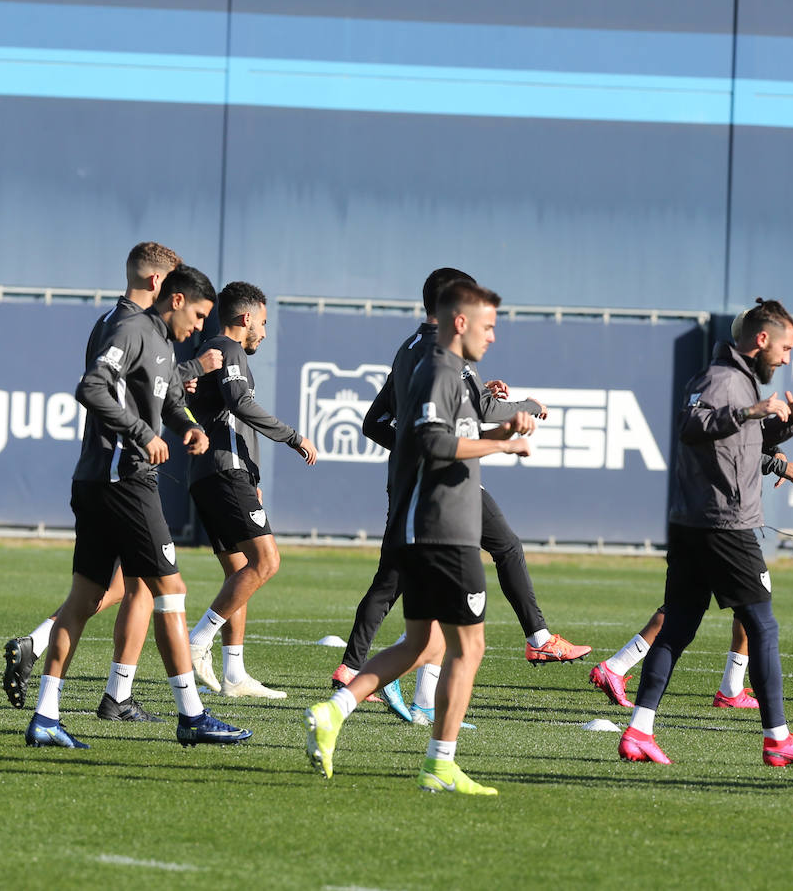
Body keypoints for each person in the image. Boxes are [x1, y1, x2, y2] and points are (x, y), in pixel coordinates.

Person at [305, 280, 531, 795]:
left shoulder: (450, 371)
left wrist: (499, 434)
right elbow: (431, 442)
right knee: (468, 647)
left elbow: (442, 436)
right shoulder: (438, 368)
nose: (493, 337)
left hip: (434, 527)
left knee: (424, 642)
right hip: (441, 530)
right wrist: (501, 446)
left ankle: (334, 710)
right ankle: (439, 763)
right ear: (459, 322)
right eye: (488, 326)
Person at [336, 267, 589, 724]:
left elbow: (393, 424)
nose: (490, 334)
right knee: (462, 635)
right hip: (443, 498)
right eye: (486, 323)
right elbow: (439, 435)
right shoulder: (437, 358)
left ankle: (360, 690)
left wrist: (483, 418)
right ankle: (532, 644)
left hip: (429, 489)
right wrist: (513, 427)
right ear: (457, 313)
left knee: (415, 612)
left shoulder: (413, 351)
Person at [25, 265, 250, 749]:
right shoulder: (131, 328)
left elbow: (166, 397)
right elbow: (91, 387)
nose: (199, 327)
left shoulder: (161, 340)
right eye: (198, 315)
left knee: (85, 600)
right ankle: (191, 714)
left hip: (100, 480)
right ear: (174, 299)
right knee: (170, 589)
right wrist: (143, 434)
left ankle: (45, 716)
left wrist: (186, 425)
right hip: (122, 479)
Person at [618, 298, 793, 767]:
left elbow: (745, 441)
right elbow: (690, 425)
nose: (787, 357)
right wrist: (750, 411)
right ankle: (778, 738)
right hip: (723, 523)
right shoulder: (722, 378)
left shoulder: (739, 381)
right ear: (761, 340)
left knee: (678, 626)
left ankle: (638, 731)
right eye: (785, 347)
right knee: (763, 625)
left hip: (695, 521)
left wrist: (790, 418)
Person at [185, 281, 318, 699]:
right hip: (226, 472)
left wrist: (253, 480)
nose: (264, 330)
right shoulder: (231, 349)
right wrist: (294, 437)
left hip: (212, 474)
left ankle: (234, 675)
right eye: (262, 321)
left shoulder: (213, 353)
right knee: (266, 562)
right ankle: (196, 642)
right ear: (246, 319)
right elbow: (241, 404)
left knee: (239, 573)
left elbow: (222, 410)